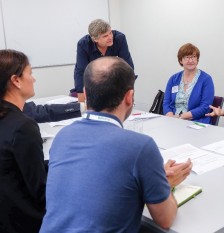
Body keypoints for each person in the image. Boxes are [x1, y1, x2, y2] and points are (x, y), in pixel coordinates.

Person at [40, 57, 192, 232]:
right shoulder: (140, 147)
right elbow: (165, 220)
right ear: (130, 97)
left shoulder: (62, 137)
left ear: (85, 94)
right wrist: (166, 183)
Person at [0, 49, 46, 233]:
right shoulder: (23, 127)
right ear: (16, 80)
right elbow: (41, 192)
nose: (33, 79)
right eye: (30, 73)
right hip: (24, 223)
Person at [73, 19, 135, 102]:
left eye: (110, 33)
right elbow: (80, 72)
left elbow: (128, 67)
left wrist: (129, 96)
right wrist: (81, 102)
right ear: (95, 39)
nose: (110, 37)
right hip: (94, 83)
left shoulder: (120, 38)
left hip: (114, 82)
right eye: (105, 36)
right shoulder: (83, 44)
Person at [163, 43, 214, 124]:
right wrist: (171, 117)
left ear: (197, 60)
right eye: (187, 57)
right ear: (181, 60)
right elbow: (166, 103)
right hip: (172, 120)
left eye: (194, 57)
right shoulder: (173, 79)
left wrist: (181, 117)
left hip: (196, 122)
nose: (191, 60)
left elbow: (205, 107)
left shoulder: (206, 79)